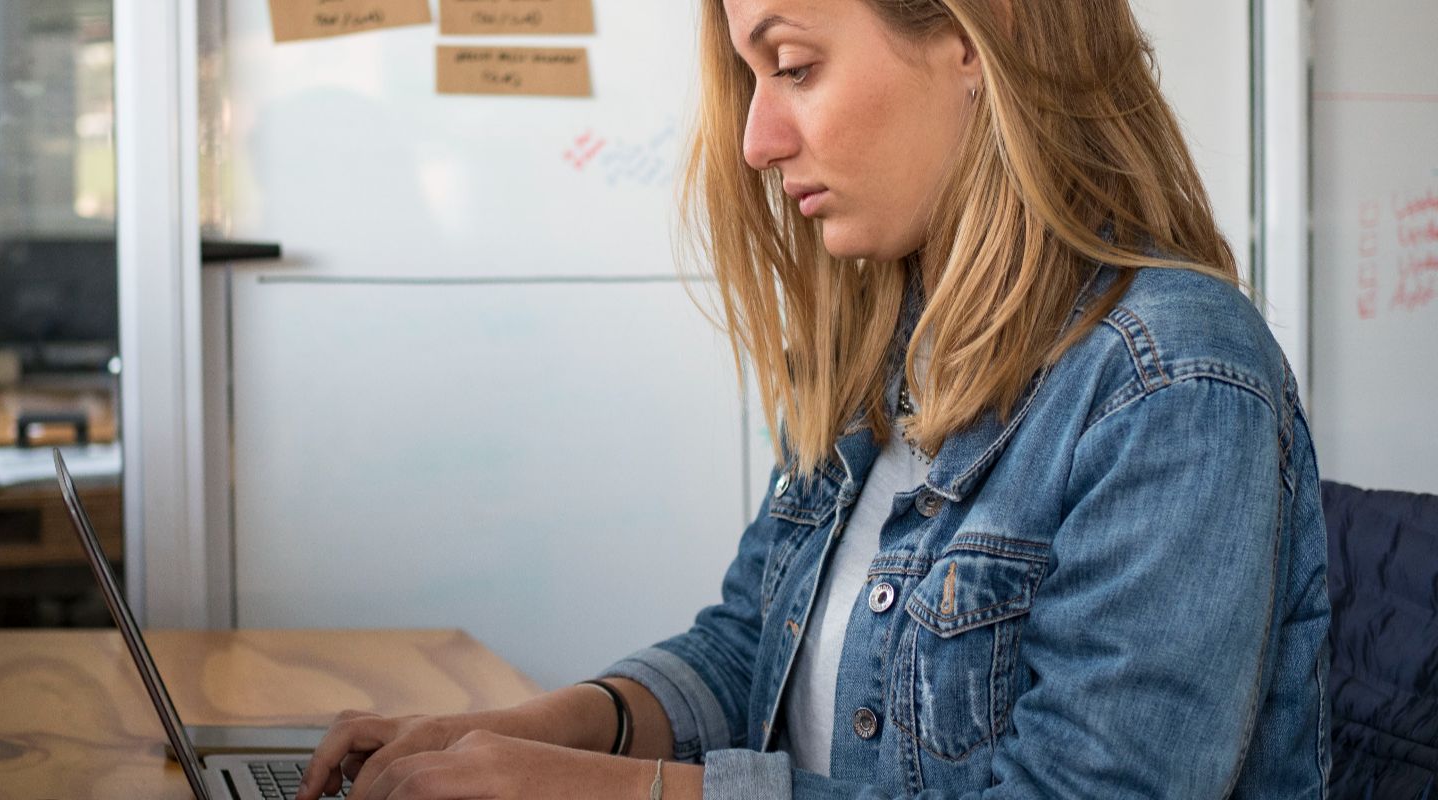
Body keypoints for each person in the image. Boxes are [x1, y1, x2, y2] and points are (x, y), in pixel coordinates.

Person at [296, 0, 1330, 797]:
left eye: (794, 66)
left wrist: (618, 787)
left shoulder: (1175, 377)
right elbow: (750, 647)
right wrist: (527, 733)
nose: (756, 140)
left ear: (978, 39)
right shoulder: (892, 346)